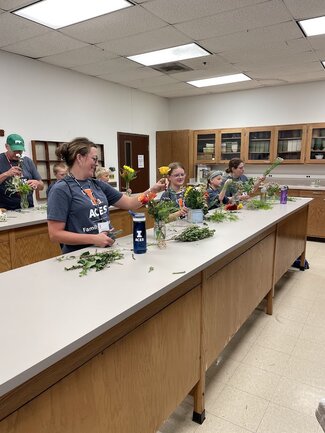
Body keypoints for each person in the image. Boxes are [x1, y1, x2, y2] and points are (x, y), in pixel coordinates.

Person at [47, 137, 165, 253]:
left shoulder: (98, 185)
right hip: (79, 256)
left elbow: (131, 203)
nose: (97, 164)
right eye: (94, 159)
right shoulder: (61, 189)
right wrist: (94, 238)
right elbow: (55, 234)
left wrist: (153, 191)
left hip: (105, 250)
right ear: (79, 158)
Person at [0, 133, 44, 210]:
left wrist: (37, 183)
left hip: (28, 208)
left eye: (20, 151)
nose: (17, 153)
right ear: (6, 146)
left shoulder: (28, 161)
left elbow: (41, 186)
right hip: (6, 210)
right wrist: (6, 174)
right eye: (15, 150)